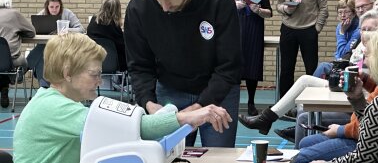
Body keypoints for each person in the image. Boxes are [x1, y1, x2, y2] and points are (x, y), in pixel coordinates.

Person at [13, 33, 233, 163]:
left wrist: (177, 114)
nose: (100, 82)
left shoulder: (53, 101)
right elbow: (137, 129)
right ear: (67, 72)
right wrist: (190, 117)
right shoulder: (54, 107)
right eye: (94, 74)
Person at [124, 0, 241, 147]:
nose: (164, 7)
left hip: (218, 92)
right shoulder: (139, 7)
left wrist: (197, 109)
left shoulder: (219, 0)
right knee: (165, 155)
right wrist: (149, 104)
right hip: (170, 90)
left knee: (219, 156)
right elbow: (139, 65)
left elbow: (229, 66)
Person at [239, 9, 378, 142]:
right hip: (351, 87)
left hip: (361, 94)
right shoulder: (360, 45)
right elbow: (342, 55)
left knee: (307, 90)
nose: (366, 33)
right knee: (306, 80)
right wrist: (342, 34)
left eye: (371, 30)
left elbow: (370, 81)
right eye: (363, 29)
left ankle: (272, 119)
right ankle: (270, 118)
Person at [311, 26, 378, 163]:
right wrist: (357, 99)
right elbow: (374, 128)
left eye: (368, 56)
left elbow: (364, 157)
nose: (365, 62)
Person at [276, 0, 328, 99]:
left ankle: (312, 104)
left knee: (311, 69)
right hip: (288, 29)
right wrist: (286, 8)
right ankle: (284, 104)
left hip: (309, 30)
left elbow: (324, 8)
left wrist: (316, 28)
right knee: (286, 69)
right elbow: (278, 5)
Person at [225, 0, 272, 116]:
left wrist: (258, 10)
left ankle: (251, 102)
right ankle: (232, 101)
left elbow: (269, 12)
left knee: (252, 64)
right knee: (234, 63)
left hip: (254, 27)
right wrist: (234, 4)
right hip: (235, 26)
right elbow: (221, 0)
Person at [27, 0, 85, 88]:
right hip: (47, 47)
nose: (54, 10)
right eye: (52, 7)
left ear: (60, 6)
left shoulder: (67, 13)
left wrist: (67, 30)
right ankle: (44, 84)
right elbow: (32, 29)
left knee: (43, 49)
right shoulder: (42, 14)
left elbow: (81, 29)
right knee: (44, 50)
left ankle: (27, 68)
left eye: (57, 7)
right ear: (47, 6)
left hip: (64, 48)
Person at [0, 0, 36, 108]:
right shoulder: (14, 14)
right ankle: (13, 79)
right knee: (24, 63)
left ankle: (4, 86)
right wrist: (19, 33)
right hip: (12, 60)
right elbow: (32, 32)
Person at [313, 0, 360, 79]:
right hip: (339, 62)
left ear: (354, 13)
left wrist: (342, 33)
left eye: (346, 12)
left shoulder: (358, 29)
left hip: (351, 64)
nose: (343, 15)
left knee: (323, 67)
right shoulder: (340, 26)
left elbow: (343, 55)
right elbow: (339, 54)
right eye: (340, 12)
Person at [87, 0, 126, 71]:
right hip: (113, 63)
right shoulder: (114, 27)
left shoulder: (93, 21)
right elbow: (122, 45)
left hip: (93, 61)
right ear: (117, 11)